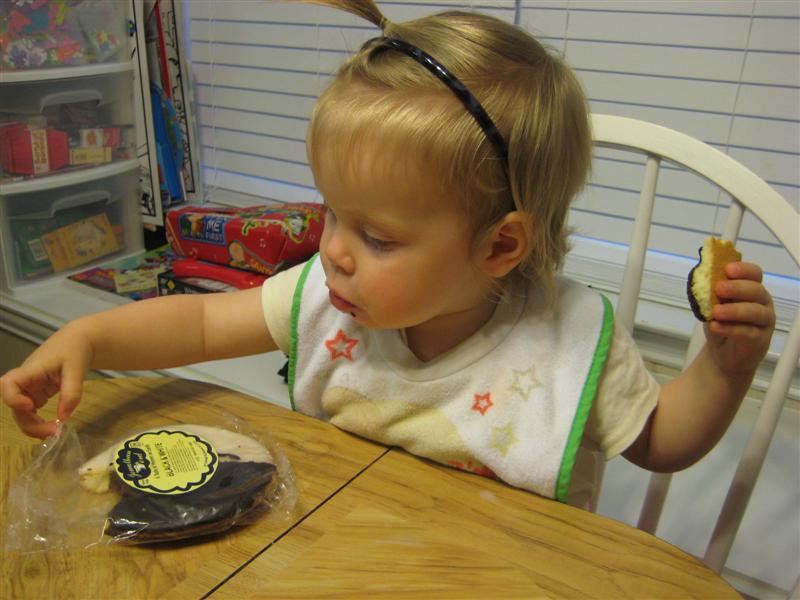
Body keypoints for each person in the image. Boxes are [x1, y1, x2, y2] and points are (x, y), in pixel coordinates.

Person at [0, 0, 775, 507]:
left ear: (500, 245)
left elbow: (663, 441)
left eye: (376, 237)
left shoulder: (570, 344)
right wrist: (89, 338)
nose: (333, 251)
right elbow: (201, 326)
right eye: (332, 212)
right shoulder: (329, 296)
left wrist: (727, 365)